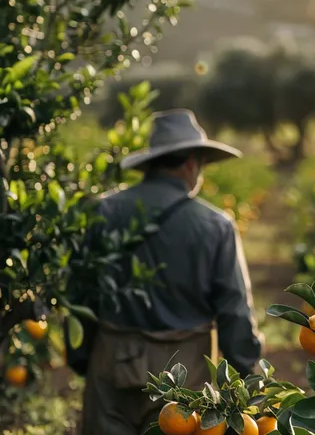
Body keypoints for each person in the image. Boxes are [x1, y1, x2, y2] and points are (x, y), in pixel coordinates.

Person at [67, 109, 263, 435]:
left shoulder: (102, 211)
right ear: (191, 162)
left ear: (152, 163)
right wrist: (248, 375)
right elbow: (234, 309)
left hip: (114, 363)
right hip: (185, 379)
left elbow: (79, 293)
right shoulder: (215, 226)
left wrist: (81, 355)